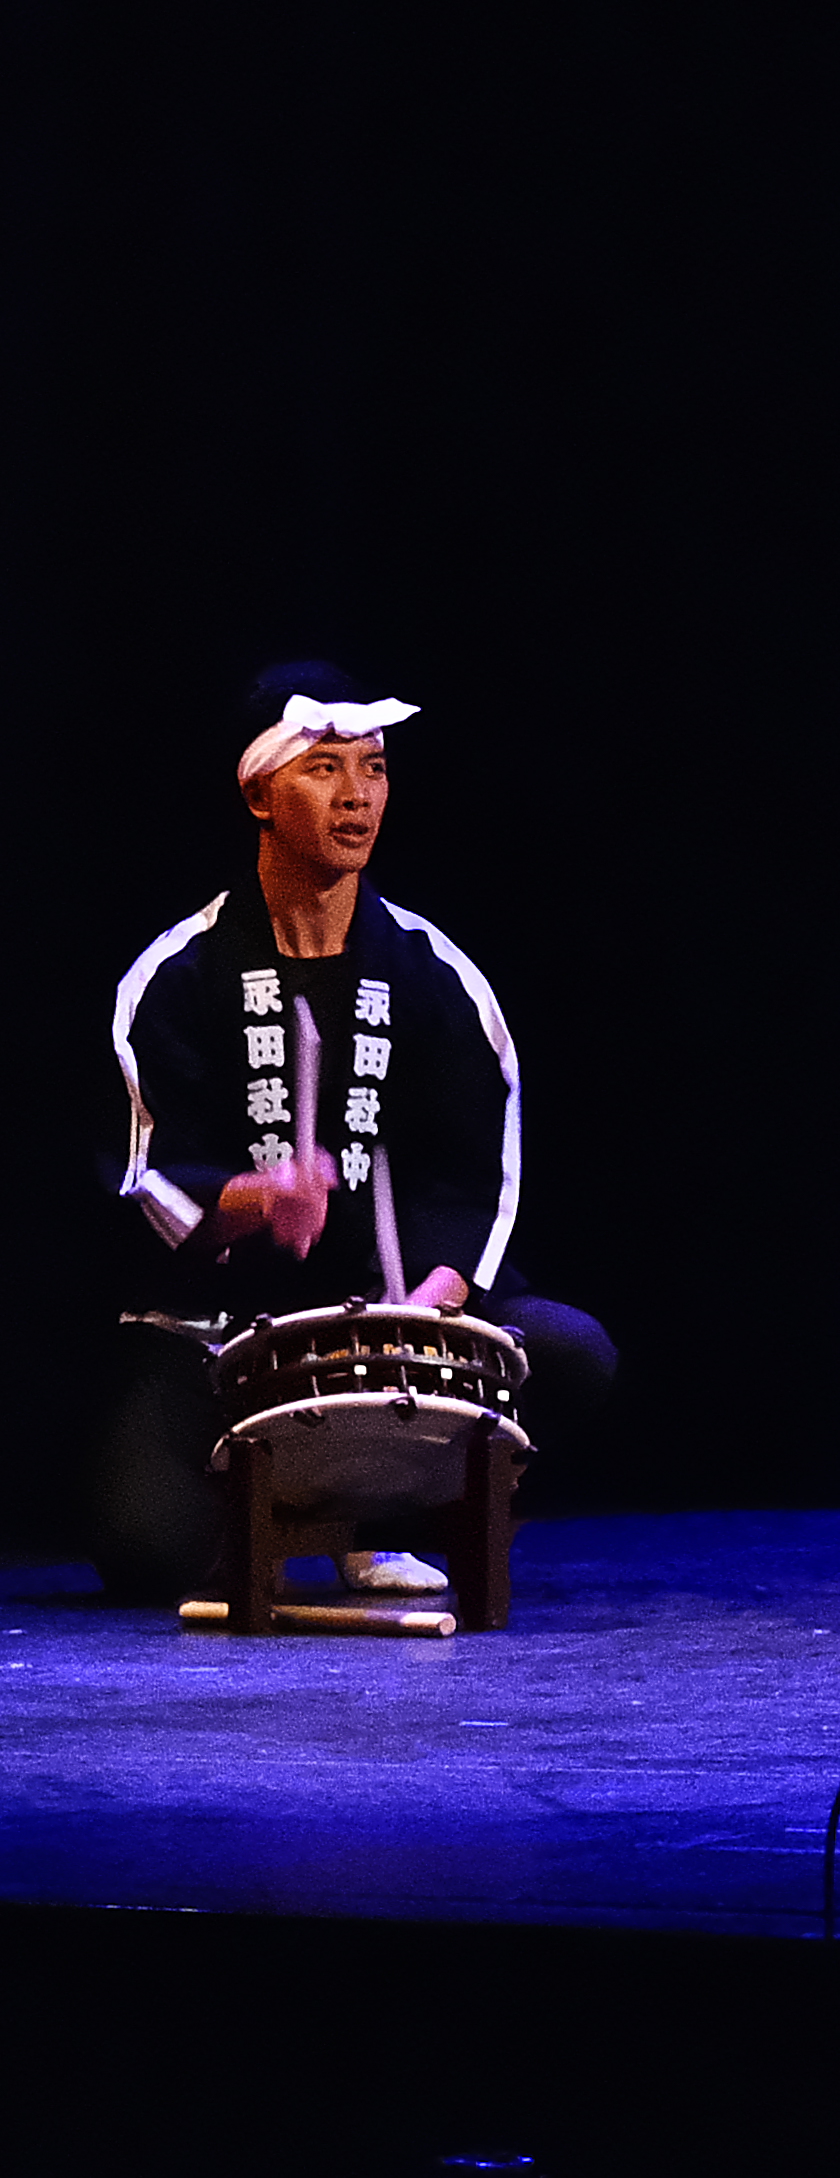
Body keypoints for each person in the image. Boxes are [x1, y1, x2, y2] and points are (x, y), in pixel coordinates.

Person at [88, 672, 617, 1603]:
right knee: (147, 1556)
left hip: (391, 1328)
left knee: (567, 1351)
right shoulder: (175, 974)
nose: (356, 795)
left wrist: (432, 1310)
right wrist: (252, 1200)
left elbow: (476, 1174)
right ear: (258, 794)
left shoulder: (432, 973)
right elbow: (143, 1167)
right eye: (323, 768)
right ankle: (303, 1517)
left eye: (372, 768)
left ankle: (392, 1516)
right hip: (219, 1338)